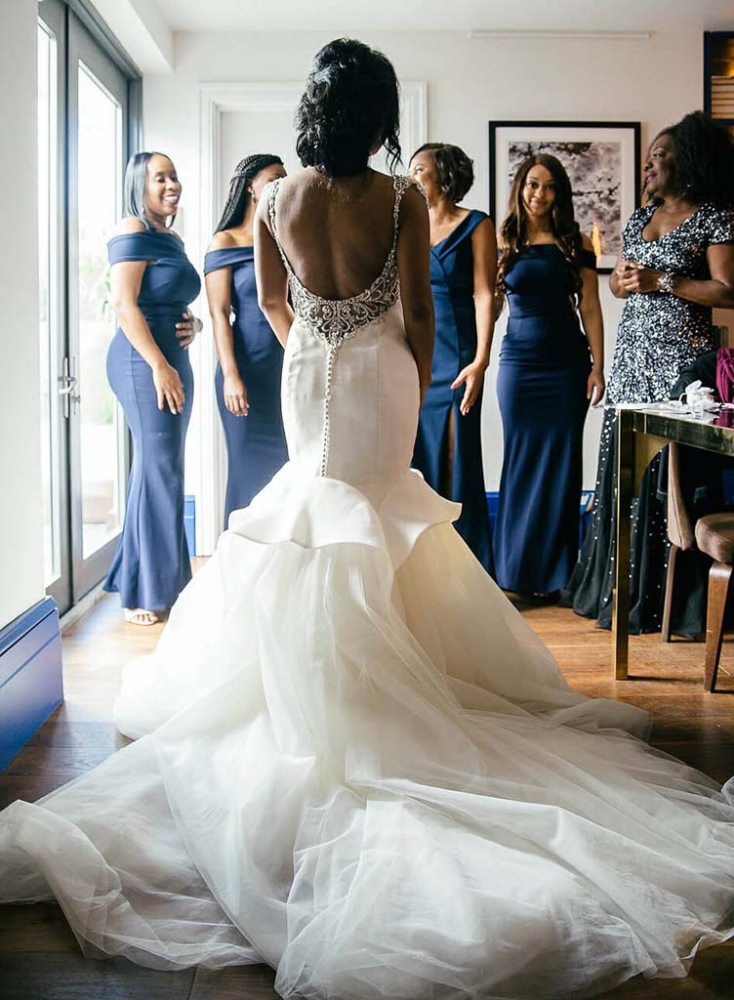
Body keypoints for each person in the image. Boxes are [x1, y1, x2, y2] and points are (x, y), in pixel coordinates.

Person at [3, 44, 734, 1000]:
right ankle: (385, 679)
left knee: (313, 514)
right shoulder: (397, 199)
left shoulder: (277, 199)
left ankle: (324, 689)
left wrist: (317, 341)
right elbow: (421, 316)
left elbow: (273, 299)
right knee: (383, 517)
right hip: (387, 372)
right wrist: (409, 375)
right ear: (379, 113)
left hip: (309, 371)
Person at [562, 112, 734, 635]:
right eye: (649, 157)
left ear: (690, 162)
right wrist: (624, 280)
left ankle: (675, 605)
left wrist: (664, 280)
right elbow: (618, 286)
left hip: (681, 365)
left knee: (670, 474)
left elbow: (727, 290)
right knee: (625, 470)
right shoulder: (640, 217)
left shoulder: (714, 217)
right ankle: (620, 593)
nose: (650, 165)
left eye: (661, 156)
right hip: (632, 358)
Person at [494, 154, 604, 597]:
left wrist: (598, 366)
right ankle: (515, 573)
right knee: (520, 463)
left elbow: (590, 306)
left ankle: (557, 577)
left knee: (562, 464)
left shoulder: (576, 242)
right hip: (519, 368)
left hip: (566, 366)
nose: (540, 194)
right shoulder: (503, 240)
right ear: (520, 188)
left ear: (560, 193)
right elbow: (489, 305)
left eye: (550, 186)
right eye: (533, 184)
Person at [103, 152, 202, 626]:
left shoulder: (172, 239)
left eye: (174, 176)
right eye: (160, 178)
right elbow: (124, 304)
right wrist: (160, 364)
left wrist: (195, 324)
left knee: (160, 467)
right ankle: (147, 592)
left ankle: (147, 580)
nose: (171, 185)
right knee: (160, 468)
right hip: (142, 362)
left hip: (171, 359)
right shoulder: (133, 229)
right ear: (139, 186)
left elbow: (171, 298)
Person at [409, 143, 496, 573]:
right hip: (413, 353)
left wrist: (481, 360)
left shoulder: (477, 224)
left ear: (443, 177)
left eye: (418, 170)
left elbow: (485, 294)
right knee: (415, 460)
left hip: (459, 356)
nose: (410, 178)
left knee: (456, 460)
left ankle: (466, 573)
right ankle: (420, 570)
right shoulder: (406, 225)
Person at [205, 154, 289, 527]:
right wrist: (230, 376)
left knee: (287, 472)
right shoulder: (224, 241)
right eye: (274, 178)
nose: (282, 185)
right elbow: (219, 314)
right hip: (245, 371)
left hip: (285, 369)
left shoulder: (287, 238)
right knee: (246, 471)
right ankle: (239, 555)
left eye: (285, 178)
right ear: (250, 187)